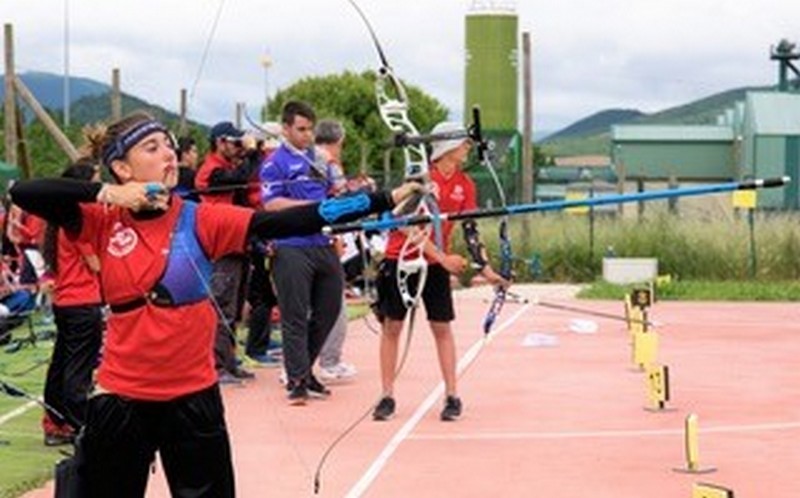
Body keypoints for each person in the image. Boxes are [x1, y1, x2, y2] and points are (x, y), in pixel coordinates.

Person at [9, 110, 418, 498]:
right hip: (122, 397)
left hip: (192, 397)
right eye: (151, 148)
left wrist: (381, 199)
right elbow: (23, 192)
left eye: (167, 144)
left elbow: (288, 220)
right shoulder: (102, 219)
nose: (168, 153)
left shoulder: (201, 219)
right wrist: (111, 194)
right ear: (122, 167)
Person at [372, 121, 509, 422]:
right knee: (392, 326)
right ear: (447, 147)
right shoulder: (421, 178)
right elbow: (407, 225)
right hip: (401, 259)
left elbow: (470, 228)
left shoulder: (465, 184)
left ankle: (452, 395)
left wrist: (486, 270)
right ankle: (386, 395)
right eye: (463, 143)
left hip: (435, 264)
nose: (468, 148)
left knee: (442, 327)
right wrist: (443, 257)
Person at [260, 102, 344, 404]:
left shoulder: (320, 160)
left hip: (322, 244)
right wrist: (312, 210)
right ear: (286, 129)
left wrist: (339, 192)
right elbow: (271, 204)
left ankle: (305, 370)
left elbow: (336, 193)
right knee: (294, 316)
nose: (308, 135)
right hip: (291, 246)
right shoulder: (274, 163)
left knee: (329, 309)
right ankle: (296, 379)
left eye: (310, 129)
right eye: (301, 129)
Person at [40, 161, 104, 446]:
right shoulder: (78, 218)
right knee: (79, 369)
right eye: (95, 180)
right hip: (83, 302)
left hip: (66, 302)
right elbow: (96, 264)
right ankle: (81, 426)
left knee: (61, 364)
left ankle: (55, 422)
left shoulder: (60, 218)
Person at [195, 121, 255, 383]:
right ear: (220, 142)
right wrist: (252, 154)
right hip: (220, 246)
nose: (239, 148)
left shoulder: (227, 167)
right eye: (235, 142)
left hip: (237, 244)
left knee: (234, 308)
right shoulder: (211, 171)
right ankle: (216, 366)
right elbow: (241, 178)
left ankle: (229, 362)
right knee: (220, 308)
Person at [315, 119, 358, 381]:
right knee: (333, 302)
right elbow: (339, 202)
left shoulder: (305, 159)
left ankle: (294, 366)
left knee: (301, 308)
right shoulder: (330, 164)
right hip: (325, 239)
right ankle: (330, 361)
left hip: (303, 239)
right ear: (338, 142)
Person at [173, 136, 200, 202]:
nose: (197, 155)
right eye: (194, 151)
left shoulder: (169, 173)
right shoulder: (194, 176)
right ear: (185, 154)